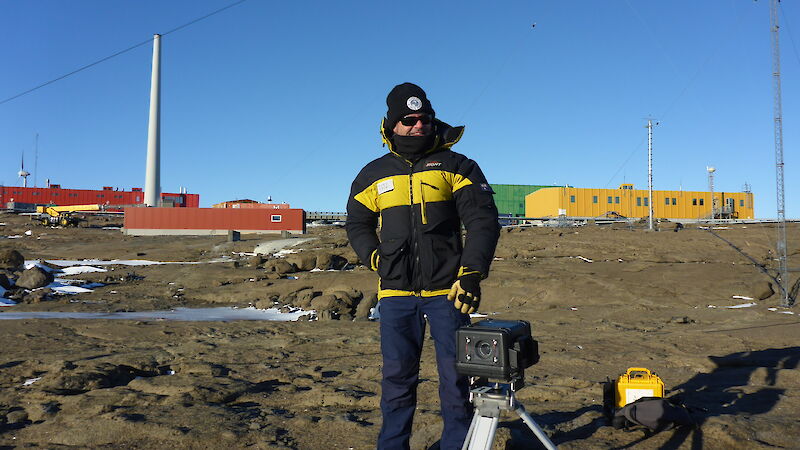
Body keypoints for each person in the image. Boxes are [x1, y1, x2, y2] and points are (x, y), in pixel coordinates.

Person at [346, 82, 501, 450]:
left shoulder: (457, 166)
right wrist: (373, 258)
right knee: (397, 380)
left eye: (424, 119)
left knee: (455, 378)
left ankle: (456, 445)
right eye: (409, 120)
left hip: (449, 293)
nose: (418, 126)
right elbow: (357, 222)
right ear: (392, 125)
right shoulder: (374, 174)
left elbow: (482, 221)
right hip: (396, 294)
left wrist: (471, 272)